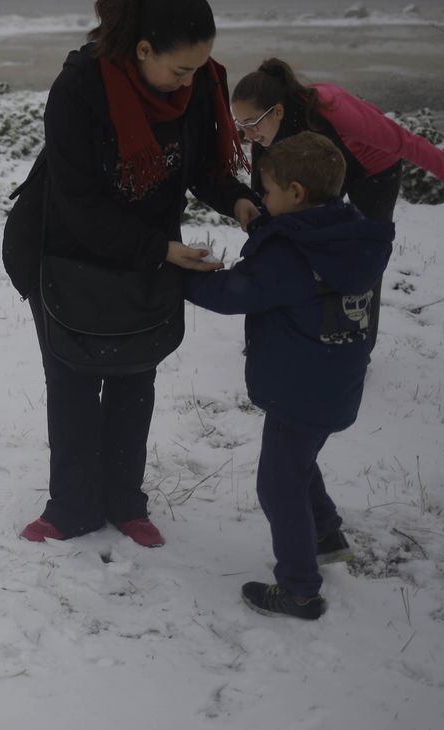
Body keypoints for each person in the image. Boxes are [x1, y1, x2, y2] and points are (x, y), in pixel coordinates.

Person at [20, 0, 257, 549]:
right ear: (144, 49)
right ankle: (70, 507)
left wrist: (243, 204)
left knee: (134, 375)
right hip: (65, 250)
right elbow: (74, 203)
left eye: (199, 68)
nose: (192, 81)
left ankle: (126, 501)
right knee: (72, 380)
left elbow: (203, 165)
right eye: (181, 69)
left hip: (148, 252)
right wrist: (163, 250)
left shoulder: (196, 83)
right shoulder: (79, 87)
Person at [184, 131, 394, 619]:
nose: (264, 199)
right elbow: (291, 270)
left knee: (278, 485)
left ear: (296, 194)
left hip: (297, 387)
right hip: (334, 380)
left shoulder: (292, 254)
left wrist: (182, 277)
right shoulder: (343, 237)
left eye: (269, 192)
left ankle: (299, 589)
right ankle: (325, 533)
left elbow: (235, 293)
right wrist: (268, 228)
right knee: (301, 461)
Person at [230, 58, 444, 224]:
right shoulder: (265, 124)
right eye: (241, 126)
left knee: (366, 248)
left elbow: (406, 142)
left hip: (373, 171)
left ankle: (362, 312)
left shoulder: (336, 112)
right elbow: (262, 182)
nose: (248, 135)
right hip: (323, 167)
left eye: (251, 125)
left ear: (278, 110)